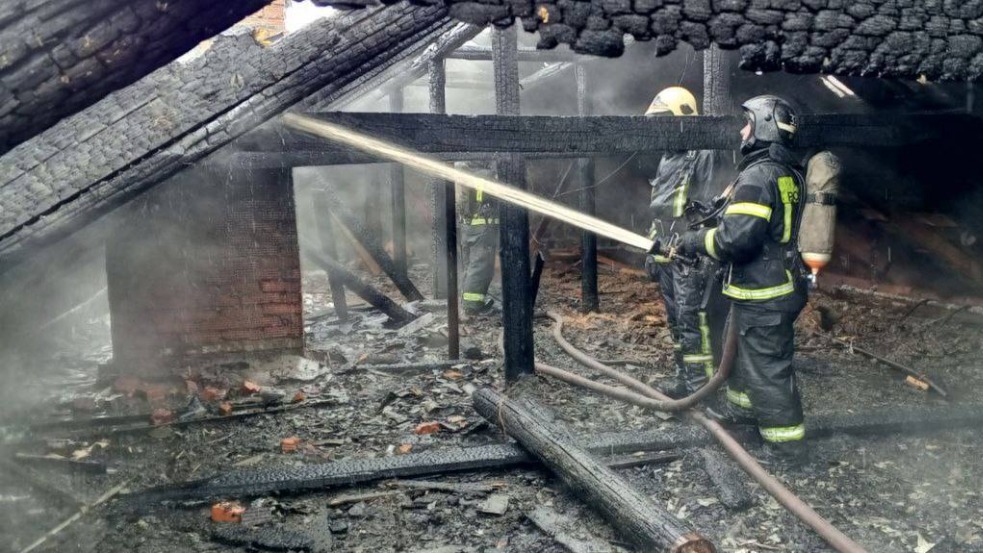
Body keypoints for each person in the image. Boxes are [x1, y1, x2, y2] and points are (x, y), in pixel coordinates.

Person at [676, 95, 810, 465]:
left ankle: (787, 448)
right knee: (742, 357)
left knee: (767, 368)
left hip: (765, 291)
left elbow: (735, 240)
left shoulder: (758, 176)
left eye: (747, 123)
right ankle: (746, 416)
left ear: (764, 127)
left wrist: (694, 241)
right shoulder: (787, 172)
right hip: (767, 287)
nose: (741, 131)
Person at [643, 87, 732, 399]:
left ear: (684, 118)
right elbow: (659, 209)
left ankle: (701, 389)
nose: (661, 128)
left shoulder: (704, 153)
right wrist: (652, 249)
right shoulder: (667, 157)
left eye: (665, 120)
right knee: (675, 319)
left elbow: (711, 209)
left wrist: (697, 248)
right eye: (657, 121)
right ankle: (684, 379)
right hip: (666, 249)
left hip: (689, 254)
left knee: (693, 320)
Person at [457, 161, 499, 316]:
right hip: (481, 227)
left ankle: (467, 302)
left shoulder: (464, 170)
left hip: (469, 227)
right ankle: (472, 306)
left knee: (471, 266)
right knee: (481, 267)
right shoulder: (484, 175)